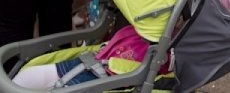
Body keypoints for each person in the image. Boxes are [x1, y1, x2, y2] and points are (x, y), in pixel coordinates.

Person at [12, 25, 169, 88]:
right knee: (23, 79)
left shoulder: (170, 54)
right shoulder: (135, 27)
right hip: (90, 61)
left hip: (111, 82)